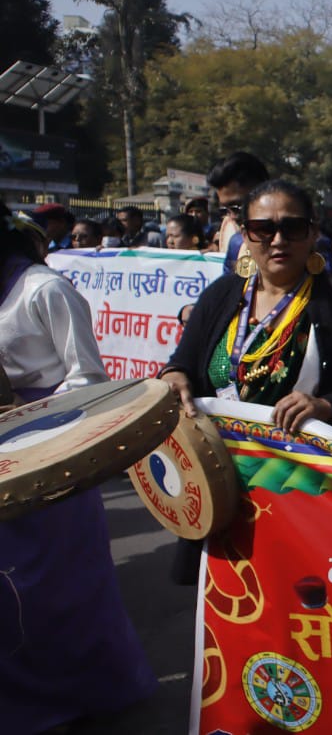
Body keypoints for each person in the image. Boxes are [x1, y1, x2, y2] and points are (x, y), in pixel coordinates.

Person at [0, 202, 156, 732]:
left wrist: (27, 417)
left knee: (59, 588)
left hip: (53, 453)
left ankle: (89, 694)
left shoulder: (43, 289)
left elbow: (87, 379)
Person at [161, 180, 332, 442]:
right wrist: (175, 375)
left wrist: (327, 405)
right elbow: (182, 362)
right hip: (222, 462)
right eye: (262, 229)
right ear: (245, 234)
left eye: (293, 227)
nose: (278, 240)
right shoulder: (221, 294)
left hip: (309, 471)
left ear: (312, 232)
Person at [208, 151, 270, 275]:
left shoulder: (302, 243)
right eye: (226, 210)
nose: (232, 216)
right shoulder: (236, 243)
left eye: (237, 207)